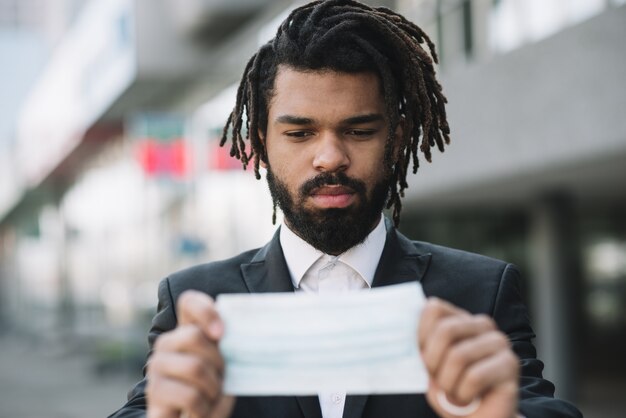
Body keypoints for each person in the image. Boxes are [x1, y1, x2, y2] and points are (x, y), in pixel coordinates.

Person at [110, 1, 582, 417]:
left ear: (396, 141)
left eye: (358, 131)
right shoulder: (195, 299)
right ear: (260, 145)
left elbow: (538, 404)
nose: (330, 157)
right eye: (299, 133)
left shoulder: (479, 290)